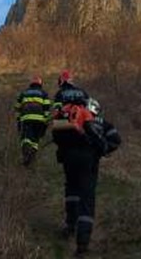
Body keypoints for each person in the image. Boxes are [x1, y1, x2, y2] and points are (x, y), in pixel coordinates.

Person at [51, 73, 122, 255]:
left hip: (69, 158)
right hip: (88, 161)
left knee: (71, 191)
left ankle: (70, 226)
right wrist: (104, 149)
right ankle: (82, 245)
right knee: (87, 200)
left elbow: (56, 136)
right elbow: (116, 140)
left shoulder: (67, 114)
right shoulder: (99, 122)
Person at [13, 75, 51, 166]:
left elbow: (17, 107)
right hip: (39, 120)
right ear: (40, 83)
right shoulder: (44, 94)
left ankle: (26, 155)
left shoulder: (24, 93)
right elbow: (47, 109)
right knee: (35, 140)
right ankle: (32, 157)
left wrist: (18, 120)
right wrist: (46, 122)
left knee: (26, 138)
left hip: (26, 119)